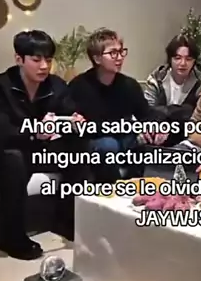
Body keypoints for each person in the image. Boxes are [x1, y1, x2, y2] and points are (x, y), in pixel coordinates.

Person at [0, 31, 88, 259]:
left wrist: (74, 122)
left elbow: (68, 113)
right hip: (7, 152)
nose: (44, 66)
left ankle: (65, 221)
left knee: (81, 150)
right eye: (36, 59)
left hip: (41, 149)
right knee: (13, 159)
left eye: (48, 60)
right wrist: (33, 131)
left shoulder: (56, 85)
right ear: (19, 59)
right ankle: (11, 237)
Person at [68, 28, 168, 175]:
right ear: (97, 59)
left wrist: (155, 126)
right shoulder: (79, 86)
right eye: (113, 53)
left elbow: (146, 114)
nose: (119, 57)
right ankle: (111, 186)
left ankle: (136, 185)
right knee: (108, 145)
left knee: (146, 139)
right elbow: (82, 126)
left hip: (123, 138)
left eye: (121, 52)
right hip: (94, 143)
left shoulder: (129, 85)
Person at [143, 35, 201, 144]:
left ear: (194, 61)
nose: (183, 63)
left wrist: (165, 114)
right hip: (156, 133)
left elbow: (197, 117)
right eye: (177, 58)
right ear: (170, 59)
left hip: (186, 136)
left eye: (188, 59)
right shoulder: (157, 78)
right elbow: (147, 111)